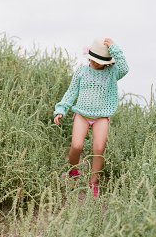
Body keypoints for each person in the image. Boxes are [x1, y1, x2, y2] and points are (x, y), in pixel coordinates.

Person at [52, 38, 129, 198]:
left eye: (100, 61)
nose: (95, 63)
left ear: (107, 62)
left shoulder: (112, 73)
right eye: (93, 60)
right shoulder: (81, 71)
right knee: (77, 145)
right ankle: (73, 170)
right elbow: (71, 92)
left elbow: (125, 68)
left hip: (101, 116)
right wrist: (61, 109)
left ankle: (94, 182)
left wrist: (114, 48)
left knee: (99, 149)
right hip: (82, 114)